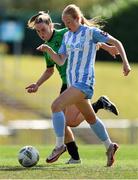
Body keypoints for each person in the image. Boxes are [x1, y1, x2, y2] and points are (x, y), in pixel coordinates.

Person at [26, 10, 123, 166]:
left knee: (61, 114)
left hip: (77, 82)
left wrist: (107, 47)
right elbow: (50, 69)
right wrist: (37, 84)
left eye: (43, 30)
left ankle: (66, 151)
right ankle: (105, 145)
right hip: (69, 82)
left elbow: (89, 37)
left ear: (51, 24)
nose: (41, 34)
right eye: (38, 31)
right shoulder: (46, 47)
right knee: (72, 121)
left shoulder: (66, 31)